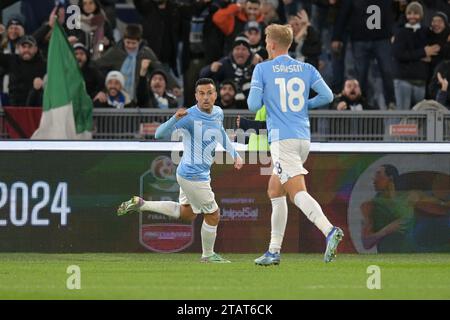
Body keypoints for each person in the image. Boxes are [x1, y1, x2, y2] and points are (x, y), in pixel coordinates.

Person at [117, 78, 243, 263]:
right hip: (193, 175)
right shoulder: (189, 116)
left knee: (188, 213)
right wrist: (174, 118)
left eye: (209, 93)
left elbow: (221, 133)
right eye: (201, 93)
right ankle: (208, 256)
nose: (206, 97)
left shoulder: (218, 112)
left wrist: (234, 154)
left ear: (215, 95)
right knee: (213, 214)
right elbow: (159, 134)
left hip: (195, 174)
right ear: (196, 96)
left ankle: (141, 204)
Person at [247, 23, 343, 266]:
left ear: (271, 43)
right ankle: (273, 251)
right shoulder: (306, 67)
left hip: (282, 139)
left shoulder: (262, 69)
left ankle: (329, 230)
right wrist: (303, 105)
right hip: (302, 137)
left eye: (267, 39)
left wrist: (267, 97)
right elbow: (328, 96)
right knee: (274, 190)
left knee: (297, 193)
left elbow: (252, 105)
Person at [360, 165, 415, 253]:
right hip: (387, 261)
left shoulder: (408, 198)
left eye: (378, 175)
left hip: (410, 259)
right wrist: (385, 232)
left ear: (390, 178)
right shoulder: (371, 205)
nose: (374, 180)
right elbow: (366, 243)